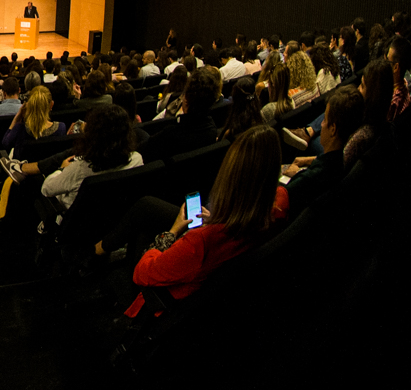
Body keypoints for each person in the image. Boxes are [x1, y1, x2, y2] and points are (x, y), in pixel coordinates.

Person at [95, 124, 284, 302]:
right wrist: (219, 220)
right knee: (147, 211)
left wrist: (173, 231)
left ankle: (108, 267)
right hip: (221, 244)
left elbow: (142, 272)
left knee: (144, 231)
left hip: (169, 296)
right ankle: (103, 251)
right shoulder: (278, 205)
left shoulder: (200, 242)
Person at [280, 86, 362, 215]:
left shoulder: (310, 178)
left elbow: (283, 198)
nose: (321, 125)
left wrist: (297, 176)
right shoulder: (343, 160)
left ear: (333, 129)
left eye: (324, 120)